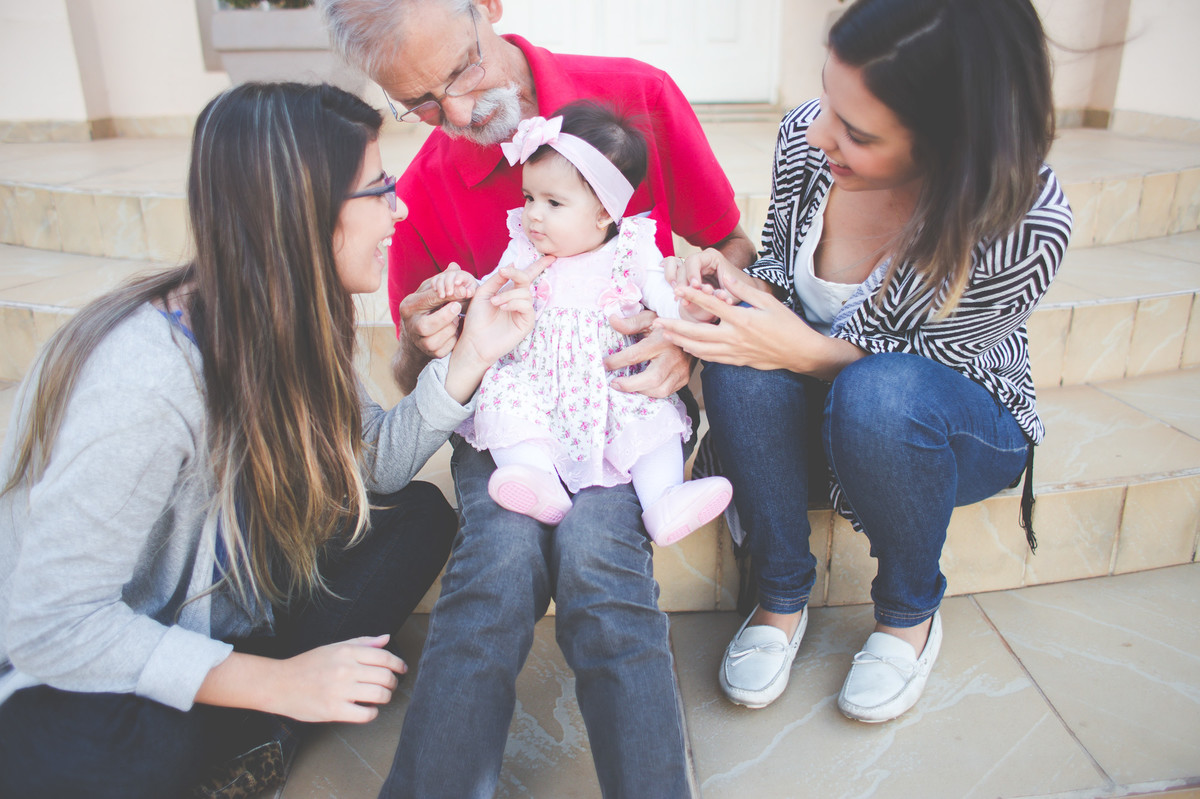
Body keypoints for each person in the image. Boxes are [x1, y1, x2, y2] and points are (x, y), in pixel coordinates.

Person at [0, 82, 542, 799]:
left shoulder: (299, 316)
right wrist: (282, 682)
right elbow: (52, 623)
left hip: (233, 605)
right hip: (93, 653)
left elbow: (372, 468)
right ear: (304, 214)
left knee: (417, 517)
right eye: (379, 190)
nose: (399, 209)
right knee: (118, 752)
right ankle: (257, 721)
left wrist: (469, 356)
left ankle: (247, 722)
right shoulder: (139, 378)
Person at [316, 0, 754, 794]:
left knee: (599, 566)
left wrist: (684, 336)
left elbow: (728, 247)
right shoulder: (418, 192)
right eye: (415, 102)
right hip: (510, 418)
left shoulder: (637, 96)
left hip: (619, 401)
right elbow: (416, 382)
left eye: (458, 71)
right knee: (496, 568)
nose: (452, 113)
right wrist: (422, 339)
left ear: (487, 7)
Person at [658, 0, 1073, 722]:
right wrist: (730, 287)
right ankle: (781, 590)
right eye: (826, 99)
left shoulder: (1023, 221)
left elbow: (932, 366)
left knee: (880, 396)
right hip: (831, 401)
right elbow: (782, 285)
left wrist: (800, 348)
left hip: (946, 415)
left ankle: (910, 611)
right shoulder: (805, 141)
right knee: (736, 349)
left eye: (855, 132)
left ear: (951, 143)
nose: (818, 135)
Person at [437, 102, 733, 543]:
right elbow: (494, 289)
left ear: (603, 213)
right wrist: (466, 287)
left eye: (554, 202)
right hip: (535, 380)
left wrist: (694, 307)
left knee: (649, 416)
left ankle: (664, 499)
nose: (533, 213)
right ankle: (537, 482)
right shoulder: (523, 246)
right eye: (529, 197)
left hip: (611, 384)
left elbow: (666, 302)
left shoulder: (632, 250)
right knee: (503, 398)